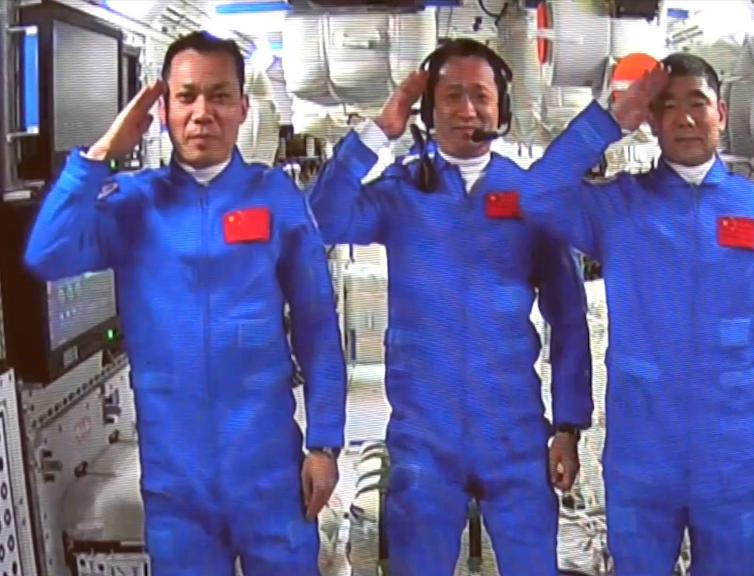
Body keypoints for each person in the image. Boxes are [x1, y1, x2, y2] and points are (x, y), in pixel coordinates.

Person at [308, 38, 659, 576]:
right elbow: (322, 219)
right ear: (430, 109)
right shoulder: (402, 191)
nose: (467, 109)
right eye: (451, 95)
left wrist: (568, 426)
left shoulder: (529, 198)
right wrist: (382, 128)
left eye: (481, 96)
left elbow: (568, 319)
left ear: (502, 109)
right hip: (424, 436)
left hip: (514, 434)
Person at [24, 31, 345, 575]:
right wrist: (101, 154)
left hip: (269, 474)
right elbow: (45, 254)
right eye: (186, 96)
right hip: (178, 487)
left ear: (243, 108)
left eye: (219, 96)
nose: (202, 113)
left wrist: (325, 444)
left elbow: (317, 328)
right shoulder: (133, 204)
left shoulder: (275, 198)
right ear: (163, 110)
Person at [518, 53, 754, 575]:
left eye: (698, 103)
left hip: (732, 455)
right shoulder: (619, 206)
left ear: (721, 113)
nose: (685, 118)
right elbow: (537, 195)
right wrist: (611, 120)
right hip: (642, 458)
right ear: (651, 120)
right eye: (668, 106)